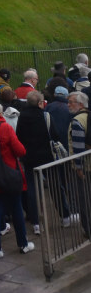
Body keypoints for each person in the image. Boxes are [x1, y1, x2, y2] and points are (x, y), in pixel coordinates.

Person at [0, 100, 34, 261]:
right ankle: (23, 244)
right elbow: (20, 150)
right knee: (16, 208)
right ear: (0, 113)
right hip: (9, 175)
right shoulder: (5, 128)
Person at [15, 90, 52, 235]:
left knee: (31, 188)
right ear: (39, 103)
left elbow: (19, 135)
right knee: (52, 186)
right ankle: (64, 215)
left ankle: (36, 221)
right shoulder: (44, 115)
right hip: (45, 157)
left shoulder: (22, 116)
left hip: (28, 157)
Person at [67, 91, 90, 236]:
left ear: (80, 104)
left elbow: (78, 147)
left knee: (84, 199)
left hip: (85, 168)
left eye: (71, 102)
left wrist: (78, 167)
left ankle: (88, 229)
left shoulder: (77, 121)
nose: (68, 105)